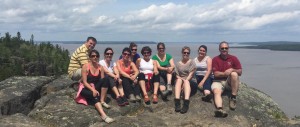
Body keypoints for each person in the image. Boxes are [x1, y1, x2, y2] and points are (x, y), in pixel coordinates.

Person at [75, 50, 114, 123]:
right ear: (90, 57)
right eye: (93, 56)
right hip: (86, 87)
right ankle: (104, 116)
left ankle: (102, 101)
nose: (95, 57)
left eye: (96, 56)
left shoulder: (100, 67)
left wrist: (99, 91)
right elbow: (84, 82)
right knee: (94, 95)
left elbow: (102, 81)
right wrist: (93, 90)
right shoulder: (85, 66)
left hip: (95, 86)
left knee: (106, 78)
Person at [212, 41, 242, 117]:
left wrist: (232, 70)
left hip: (229, 82)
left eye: (226, 48)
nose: (224, 49)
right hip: (218, 81)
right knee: (216, 92)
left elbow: (240, 72)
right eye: (222, 48)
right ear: (219, 49)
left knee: (234, 74)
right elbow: (216, 73)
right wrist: (224, 73)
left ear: (228, 49)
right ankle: (220, 109)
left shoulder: (233, 58)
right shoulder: (215, 59)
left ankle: (233, 97)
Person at [174, 46, 196, 114]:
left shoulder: (192, 62)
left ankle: (186, 103)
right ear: (182, 53)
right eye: (184, 52)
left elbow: (191, 74)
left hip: (191, 81)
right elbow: (177, 75)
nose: (186, 54)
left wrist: (184, 83)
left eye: (187, 53)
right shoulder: (178, 64)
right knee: (179, 80)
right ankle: (177, 102)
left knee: (186, 81)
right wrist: (181, 80)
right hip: (181, 81)